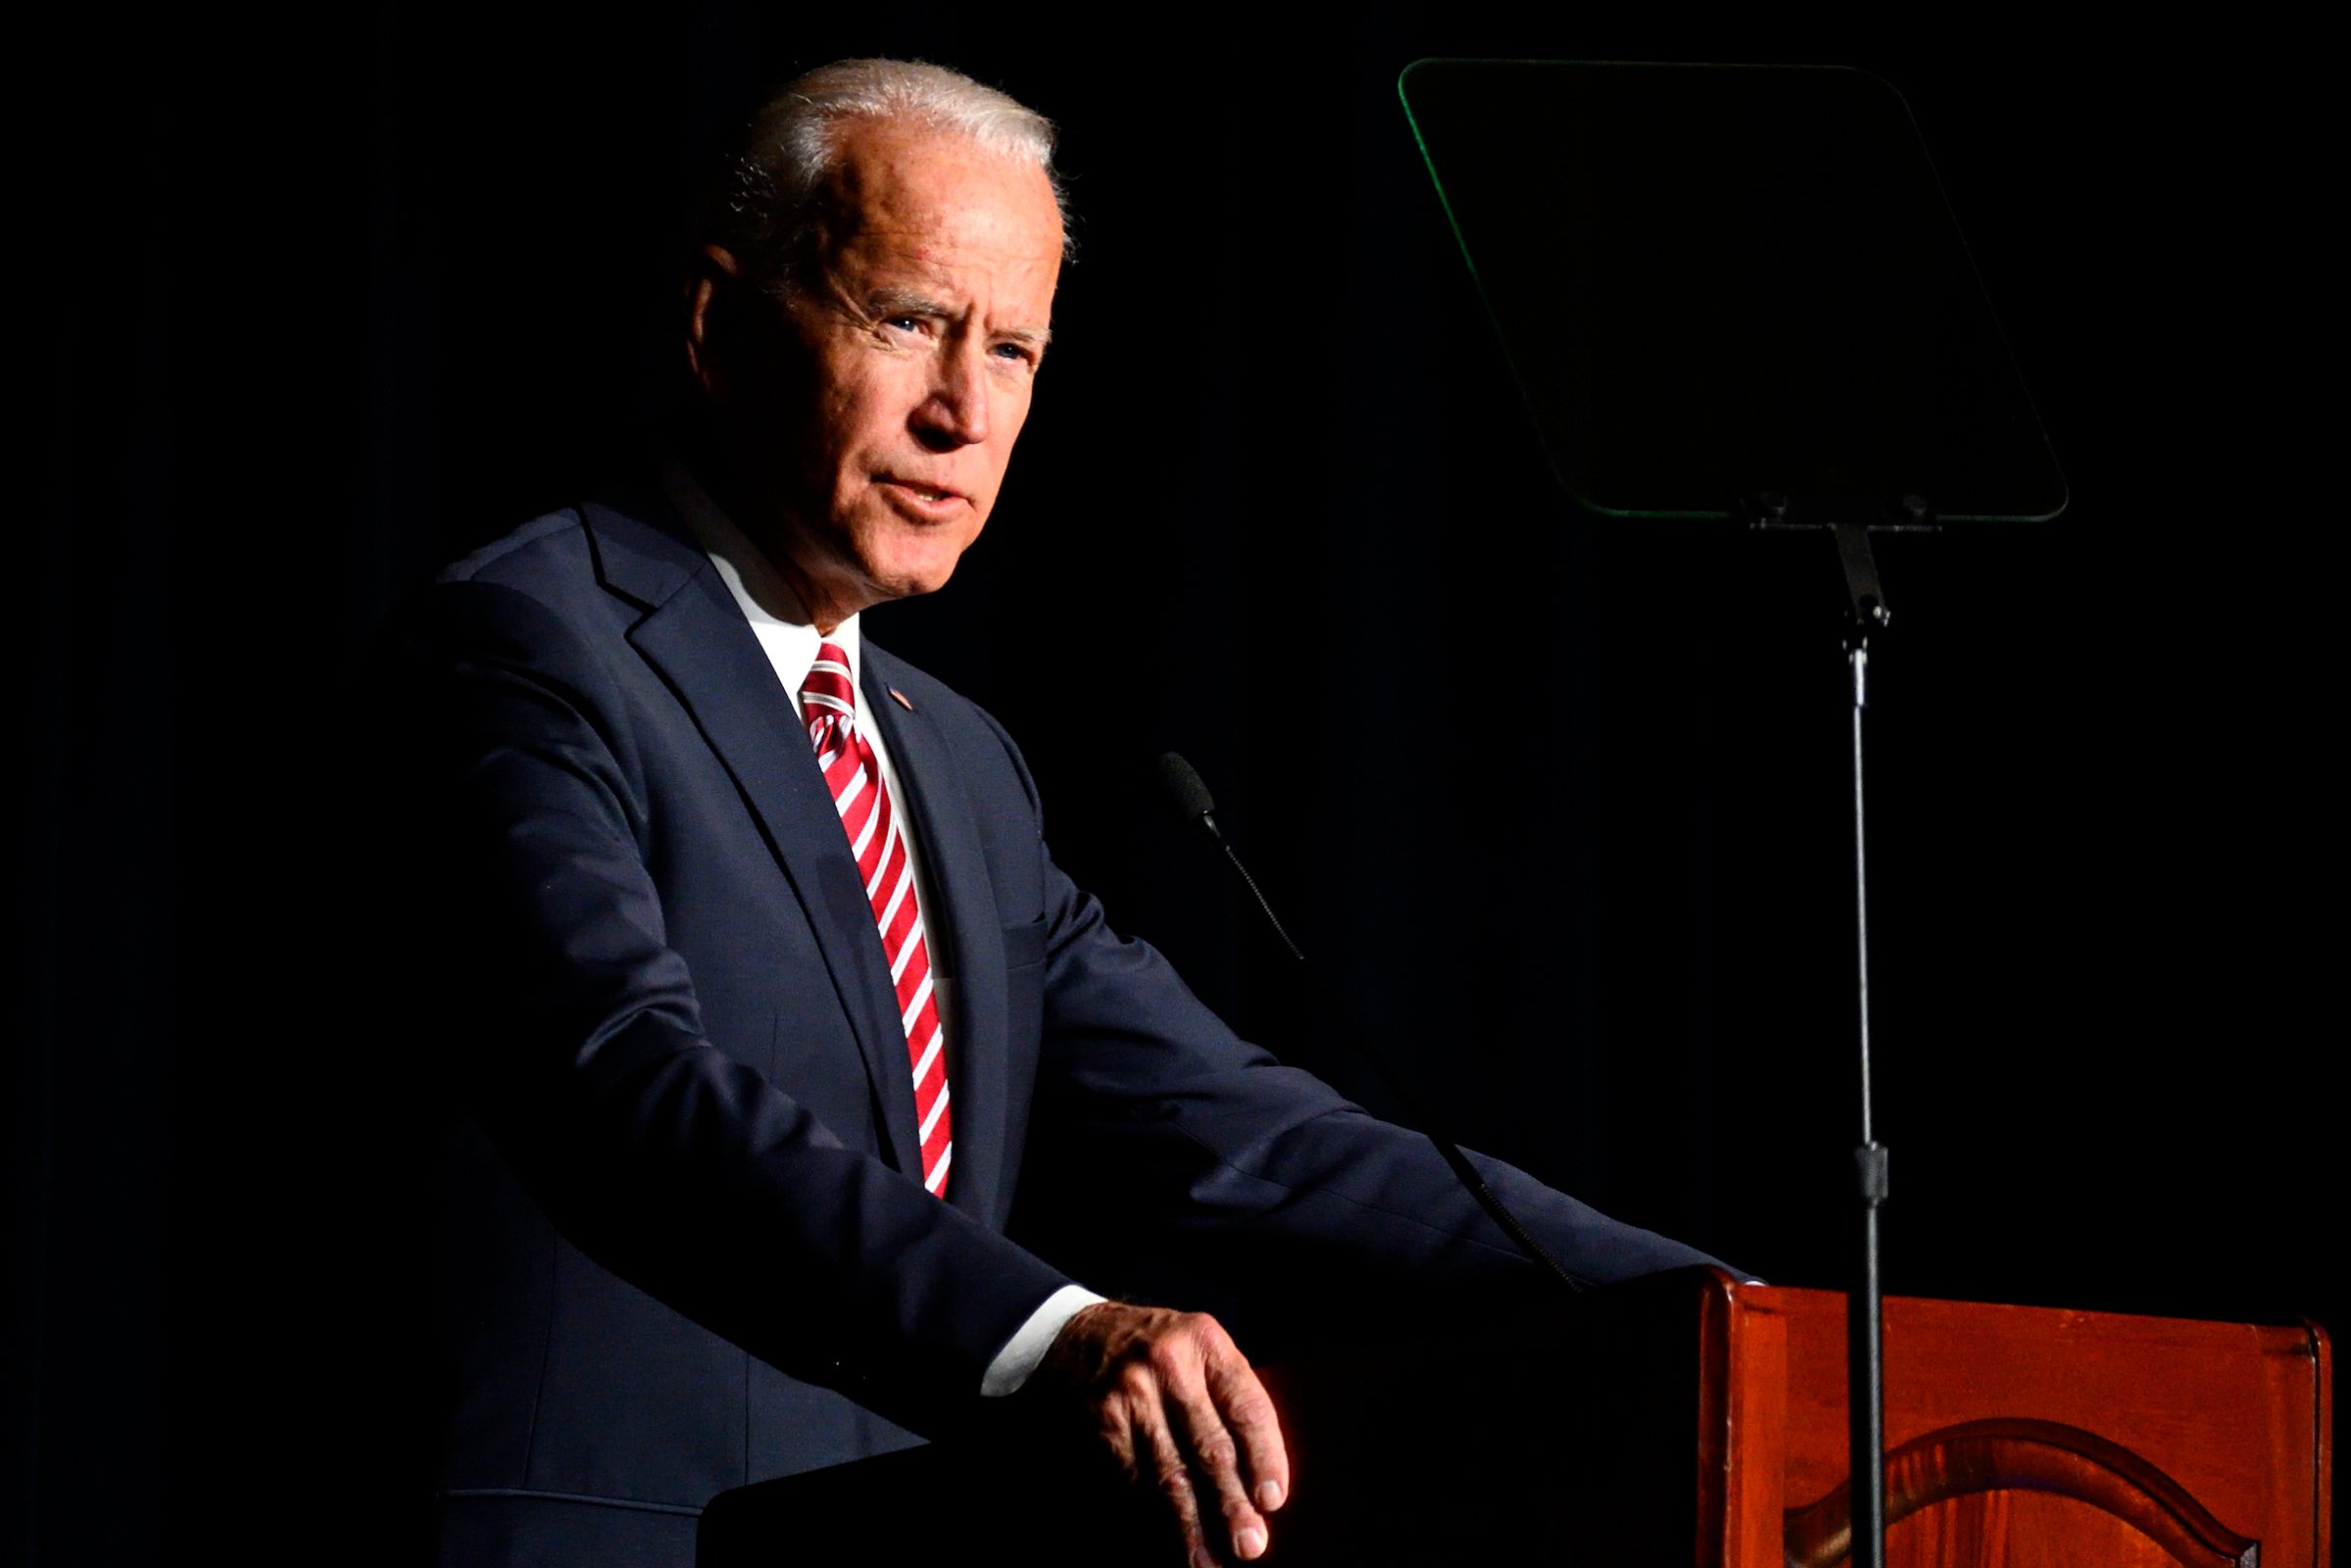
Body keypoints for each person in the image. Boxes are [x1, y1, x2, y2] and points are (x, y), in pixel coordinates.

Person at [379, 58, 1727, 1568]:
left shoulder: (952, 763)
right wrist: (1054, 1330)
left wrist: (1711, 1311)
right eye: (907, 322)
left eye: (1013, 348)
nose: (965, 411)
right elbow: (626, 1083)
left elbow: (1244, 1139)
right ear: (717, 326)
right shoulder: (530, 642)